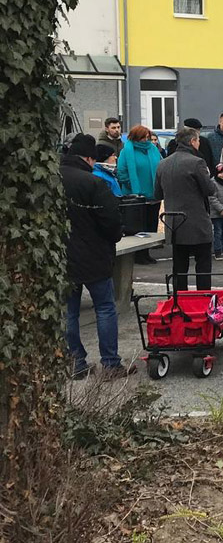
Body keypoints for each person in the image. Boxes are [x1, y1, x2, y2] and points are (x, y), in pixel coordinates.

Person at [62, 134, 132, 379]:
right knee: (105, 308)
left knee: (69, 312)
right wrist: (114, 236)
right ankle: (111, 364)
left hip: (62, 257)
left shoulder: (51, 180)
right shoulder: (93, 183)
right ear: (90, 158)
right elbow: (111, 221)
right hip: (94, 255)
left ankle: (75, 362)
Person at [154, 127, 218, 291]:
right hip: (197, 224)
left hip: (174, 224)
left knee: (179, 269)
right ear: (192, 142)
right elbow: (210, 189)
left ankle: (179, 302)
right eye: (197, 140)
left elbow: (157, 193)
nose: (198, 144)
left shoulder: (163, 163)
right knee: (203, 267)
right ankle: (202, 301)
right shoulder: (196, 162)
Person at [116, 124, 161, 198]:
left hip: (154, 195)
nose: (146, 140)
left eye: (147, 137)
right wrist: (133, 184)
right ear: (136, 137)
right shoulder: (126, 151)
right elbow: (121, 172)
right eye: (143, 137)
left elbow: (161, 165)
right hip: (134, 196)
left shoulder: (153, 149)